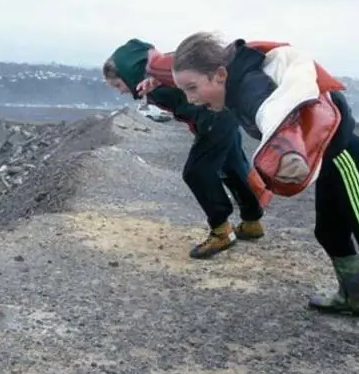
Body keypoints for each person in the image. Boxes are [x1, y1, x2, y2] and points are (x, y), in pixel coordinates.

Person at [137, 32, 359, 372]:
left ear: (220, 75)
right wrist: (155, 79)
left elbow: (275, 114)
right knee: (329, 233)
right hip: (329, 160)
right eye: (185, 91)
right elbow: (172, 66)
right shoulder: (234, 74)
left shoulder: (249, 89)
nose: (191, 99)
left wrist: (287, 156)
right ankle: (353, 298)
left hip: (345, 158)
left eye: (193, 89)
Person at [103, 38, 273, 259]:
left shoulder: (160, 75)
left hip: (214, 115)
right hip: (224, 112)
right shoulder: (156, 72)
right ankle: (252, 222)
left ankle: (221, 231)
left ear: (126, 72)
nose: (120, 91)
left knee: (197, 172)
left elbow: (190, 87)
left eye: (118, 85)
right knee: (231, 166)